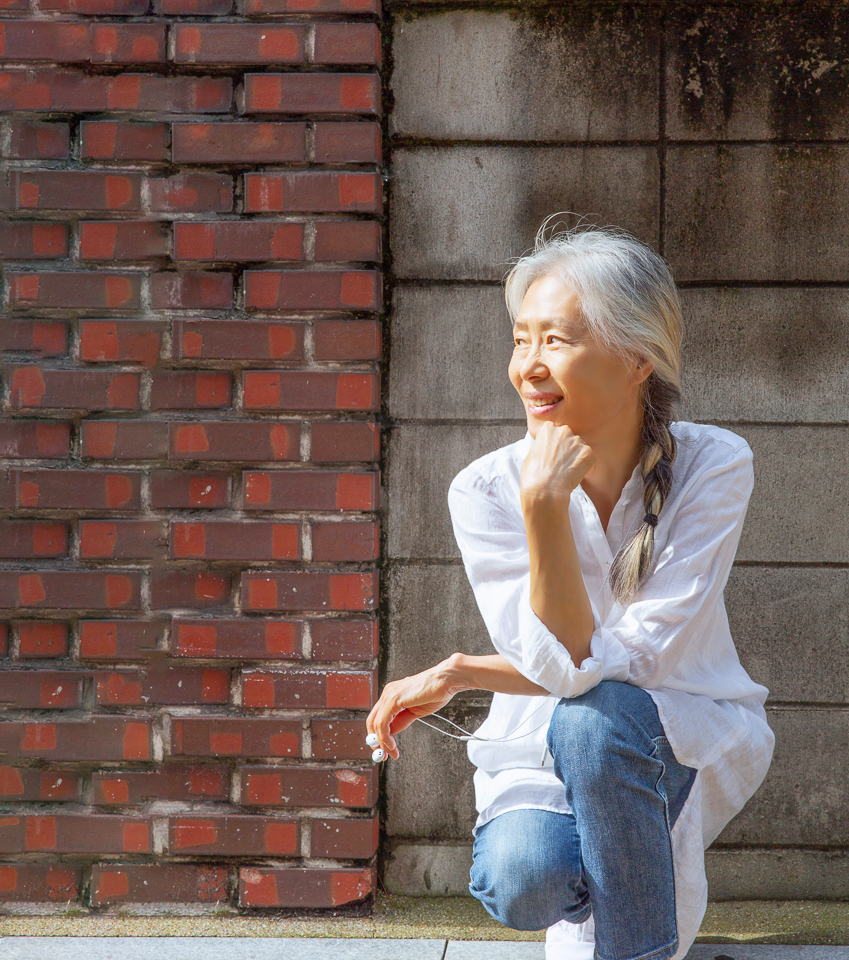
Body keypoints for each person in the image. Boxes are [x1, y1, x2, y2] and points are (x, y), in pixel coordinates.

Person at [366, 217, 775, 960]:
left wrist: (462, 671)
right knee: (523, 878)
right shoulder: (485, 489)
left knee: (593, 722)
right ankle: (625, 881)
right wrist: (540, 505)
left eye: (555, 340)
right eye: (520, 339)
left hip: (674, 731)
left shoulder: (714, 466)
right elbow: (565, 668)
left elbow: (628, 666)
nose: (528, 365)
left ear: (634, 358)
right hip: (541, 742)